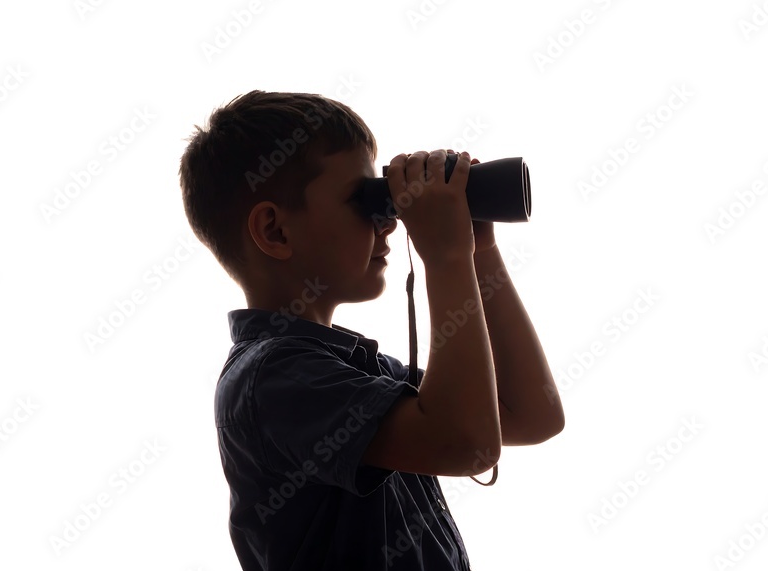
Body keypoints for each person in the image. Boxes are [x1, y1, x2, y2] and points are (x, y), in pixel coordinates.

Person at [179, 90, 565, 570]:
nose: (389, 221)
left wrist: (478, 252)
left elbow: (534, 413)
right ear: (276, 231)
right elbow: (468, 443)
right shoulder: (271, 379)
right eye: (364, 201)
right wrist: (446, 258)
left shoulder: (361, 372)